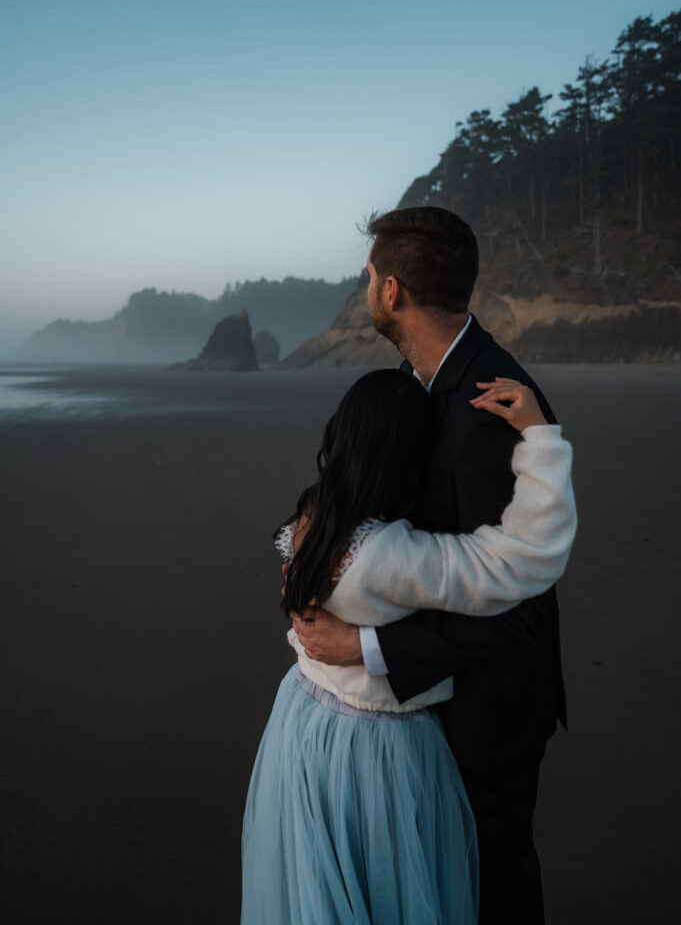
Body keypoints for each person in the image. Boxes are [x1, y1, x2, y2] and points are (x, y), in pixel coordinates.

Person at [292, 206, 568, 925]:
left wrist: (369, 647)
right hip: (425, 700)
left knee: (490, 883)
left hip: (486, 708)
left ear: (390, 292)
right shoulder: (421, 379)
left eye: (366, 276)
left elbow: (523, 602)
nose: (365, 289)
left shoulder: (488, 403)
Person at [241, 369, 576, 925]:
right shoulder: (391, 554)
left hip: (300, 726)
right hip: (374, 749)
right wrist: (541, 437)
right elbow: (523, 559)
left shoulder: (313, 515)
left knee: (319, 892)